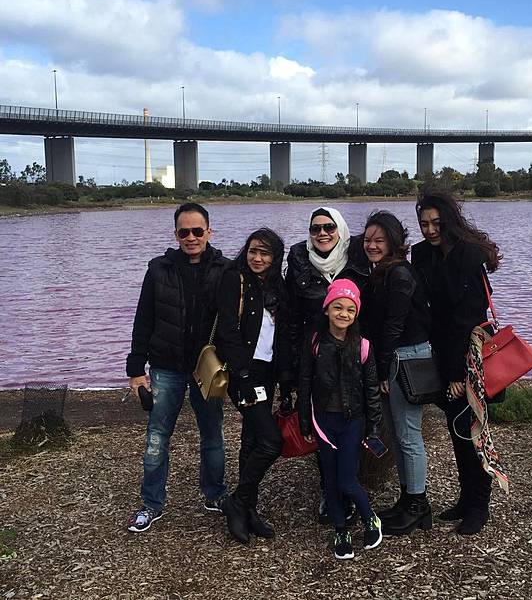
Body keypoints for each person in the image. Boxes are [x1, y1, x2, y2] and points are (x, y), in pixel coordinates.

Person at [126, 202, 229, 533]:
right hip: (165, 366)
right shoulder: (158, 269)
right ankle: (151, 503)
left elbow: (234, 322)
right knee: (157, 436)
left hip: (206, 368)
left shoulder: (225, 269)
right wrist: (135, 370)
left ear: (209, 232)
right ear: (175, 234)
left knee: (212, 434)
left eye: (197, 231)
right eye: (184, 232)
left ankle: (215, 494)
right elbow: (143, 319)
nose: (191, 238)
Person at [411, 188, 502, 535]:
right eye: (424, 224)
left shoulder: (469, 255)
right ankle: (466, 499)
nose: (430, 230)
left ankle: (479, 505)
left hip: (469, 356)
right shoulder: (423, 254)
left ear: (449, 220)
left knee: (472, 429)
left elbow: (467, 318)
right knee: (457, 429)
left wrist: (456, 374)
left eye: (436, 223)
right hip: (441, 350)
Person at [286, 207, 369, 523]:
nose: (322, 233)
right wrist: (292, 368)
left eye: (329, 227)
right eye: (315, 228)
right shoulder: (299, 261)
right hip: (317, 356)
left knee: (353, 423)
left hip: (353, 355)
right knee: (323, 425)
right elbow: (291, 316)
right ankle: (329, 492)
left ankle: (350, 490)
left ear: (340, 229)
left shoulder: (357, 259)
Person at [215, 228, 293, 544]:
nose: (257, 258)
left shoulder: (277, 287)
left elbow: (282, 336)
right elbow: (227, 331)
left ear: (275, 258)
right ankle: (237, 501)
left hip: (267, 372)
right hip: (242, 372)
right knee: (271, 441)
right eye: (253, 251)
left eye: (265, 253)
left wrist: (286, 381)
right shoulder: (234, 279)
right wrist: (243, 375)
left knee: (252, 440)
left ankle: (248, 508)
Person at [298, 279, 383, 560]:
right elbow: (304, 382)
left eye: (350, 309)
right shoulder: (314, 342)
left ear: (356, 314)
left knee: (347, 480)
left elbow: (371, 390)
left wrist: (373, 428)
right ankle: (340, 529)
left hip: (351, 421)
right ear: (326, 309)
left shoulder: (363, 346)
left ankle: (370, 518)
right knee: (331, 480)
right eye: (337, 307)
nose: (343, 314)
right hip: (323, 421)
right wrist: (304, 420)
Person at [361, 210, 433, 536]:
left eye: (379, 240)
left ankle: (418, 504)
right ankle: (408, 498)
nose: (372, 245)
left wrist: (381, 369)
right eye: (367, 240)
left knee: (408, 434)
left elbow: (394, 324)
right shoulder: (381, 272)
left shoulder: (400, 273)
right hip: (393, 357)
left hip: (405, 358)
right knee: (397, 433)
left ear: (393, 242)